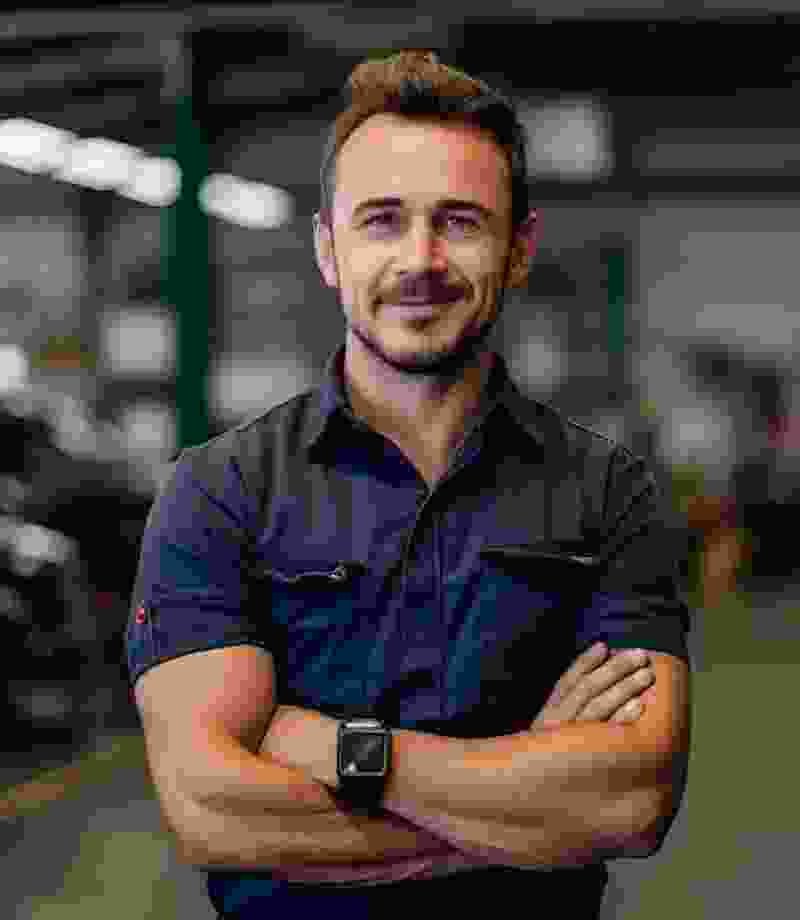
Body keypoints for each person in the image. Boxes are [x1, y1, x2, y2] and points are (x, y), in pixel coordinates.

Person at [126, 50, 692, 919]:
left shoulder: (608, 494)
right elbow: (212, 813)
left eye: (460, 222)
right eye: (382, 221)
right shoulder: (220, 491)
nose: (420, 259)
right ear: (329, 249)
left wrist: (341, 751)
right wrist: (530, 797)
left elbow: (632, 801)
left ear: (519, 250)